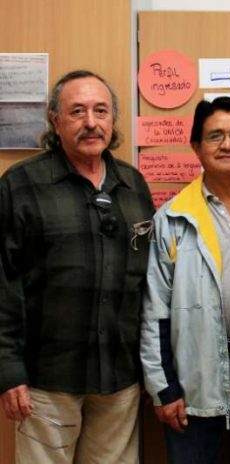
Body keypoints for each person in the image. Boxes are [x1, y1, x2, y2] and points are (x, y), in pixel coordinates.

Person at [0, 70, 154, 463]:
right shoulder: (21, 184)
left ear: (112, 119)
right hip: (48, 379)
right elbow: (4, 282)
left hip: (119, 378)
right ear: (55, 120)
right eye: (77, 112)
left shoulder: (133, 184)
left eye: (101, 111)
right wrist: (8, 370)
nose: (91, 122)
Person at [140, 97, 230, 464]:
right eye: (215, 135)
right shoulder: (172, 218)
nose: (228, 144)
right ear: (196, 147)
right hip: (192, 371)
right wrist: (163, 389)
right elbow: (154, 312)